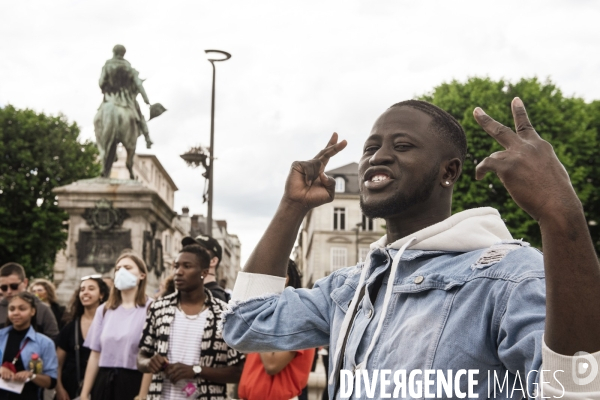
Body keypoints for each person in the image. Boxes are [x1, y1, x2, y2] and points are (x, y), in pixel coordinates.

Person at [222, 99, 600, 399]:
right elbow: (247, 324)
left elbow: (579, 391)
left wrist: (561, 214)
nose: (377, 157)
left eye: (402, 146)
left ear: (448, 172)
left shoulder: (509, 276)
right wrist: (293, 207)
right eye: (372, 147)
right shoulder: (351, 287)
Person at [137, 244, 245, 400]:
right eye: (176, 266)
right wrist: (149, 363)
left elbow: (238, 372)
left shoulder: (224, 314)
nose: (178, 272)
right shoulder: (159, 308)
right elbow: (141, 357)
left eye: (187, 266)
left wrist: (197, 370)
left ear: (204, 272)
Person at [79, 252, 152, 400]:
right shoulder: (105, 310)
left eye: (127, 267)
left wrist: (143, 394)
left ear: (142, 275)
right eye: (118, 269)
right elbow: (95, 355)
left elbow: (151, 356)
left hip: (133, 381)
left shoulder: (152, 309)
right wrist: (85, 393)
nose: (122, 272)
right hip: (104, 382)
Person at [237, 260, 314, 400]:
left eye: (261, 277)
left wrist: (257, 320)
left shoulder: (298, 315)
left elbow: (272, 364)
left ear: (284, 278)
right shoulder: (270, 314)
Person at [55, 275, 109, 400]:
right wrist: (59, 389)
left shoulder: (110, 324)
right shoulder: (70, 327)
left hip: (102, 388)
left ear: (101, 295)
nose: (85, 292)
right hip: (71, 389)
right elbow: (58, 363)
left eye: (91, 288)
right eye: (82, 289)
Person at [0, 292, 58, 400]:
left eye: (22, 309)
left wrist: (31, 375)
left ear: (32, 311)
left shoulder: (45, 343)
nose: (16, 313)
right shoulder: (1, 336)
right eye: (12, 309)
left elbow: (51, 382)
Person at [98, 44, 153, 148]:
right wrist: (146, 100)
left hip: (110, 98)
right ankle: (147, 138)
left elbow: (101, 83)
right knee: (140, 116)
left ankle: (99, 138)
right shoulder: (129, 68)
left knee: (99, 116)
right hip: (126, 100)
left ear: (113, 52)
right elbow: (139, 85)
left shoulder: (107, 65)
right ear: (123, 54)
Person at [0, 263, 59, 339]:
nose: (9, 291)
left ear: (25, 283)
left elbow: (53, 339)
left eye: (14, 286)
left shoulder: (43, 309)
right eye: (4, 287)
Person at [181, 236, 229, 302]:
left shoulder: (214, 296)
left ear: (213, 261)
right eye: (188, 250)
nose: (189, 256)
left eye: (197, 252)